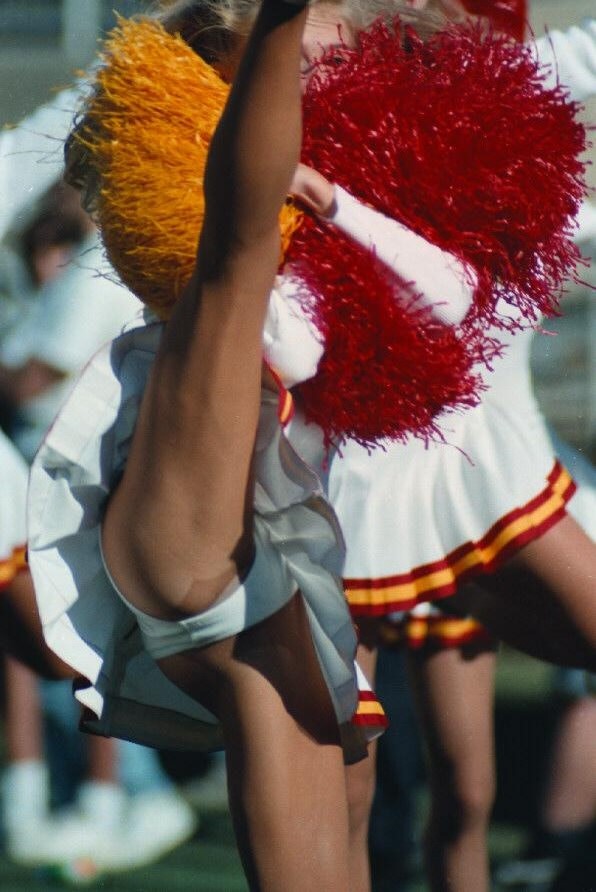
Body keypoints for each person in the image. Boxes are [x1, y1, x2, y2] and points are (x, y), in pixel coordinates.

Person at [27, 2, 385, 889]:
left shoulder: (315, 195)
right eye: (305, 51)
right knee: (241, 243)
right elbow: (240, 205)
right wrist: (280, 20)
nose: (331, 65)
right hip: (199, 531)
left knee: (347, 792)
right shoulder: (231, 205)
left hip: (252, 536)